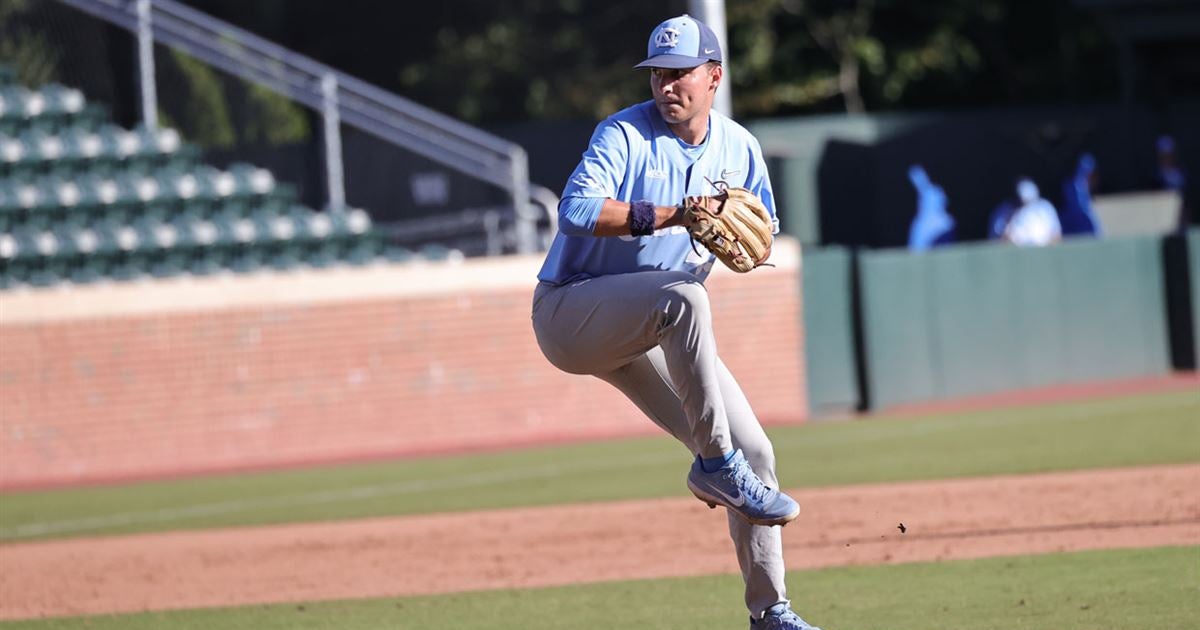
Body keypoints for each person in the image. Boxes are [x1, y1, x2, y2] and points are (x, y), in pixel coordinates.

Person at [530, 15, 823, 630]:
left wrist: (748, 245)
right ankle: (714, 466)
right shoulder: (624, 133)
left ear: (714, 76)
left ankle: (770, 611)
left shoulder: (739, 147)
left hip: (655, 327)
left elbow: (759, 235)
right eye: (658, 74)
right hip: (573, 310)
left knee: (756, 451)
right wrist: (674, 214)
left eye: (680, 73)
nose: (666, 85)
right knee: (686, 299)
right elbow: (575, 210)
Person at [906, 164, 955, 251]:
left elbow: (944, 201)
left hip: (938, 223)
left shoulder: (934, 190)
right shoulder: (924, 194)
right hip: (927, 222)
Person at [1003, 177, 1061, 247]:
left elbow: (1056, 234)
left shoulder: (1045, 207)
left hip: (1044, 248)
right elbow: (1004, 238)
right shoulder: (1010, 211)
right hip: (1019, 249)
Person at [1059, 153, 1101, 237]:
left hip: (1082, 225)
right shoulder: (1072, 186)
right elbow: (1076, 211)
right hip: (1074, 226)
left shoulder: (1084, 187)